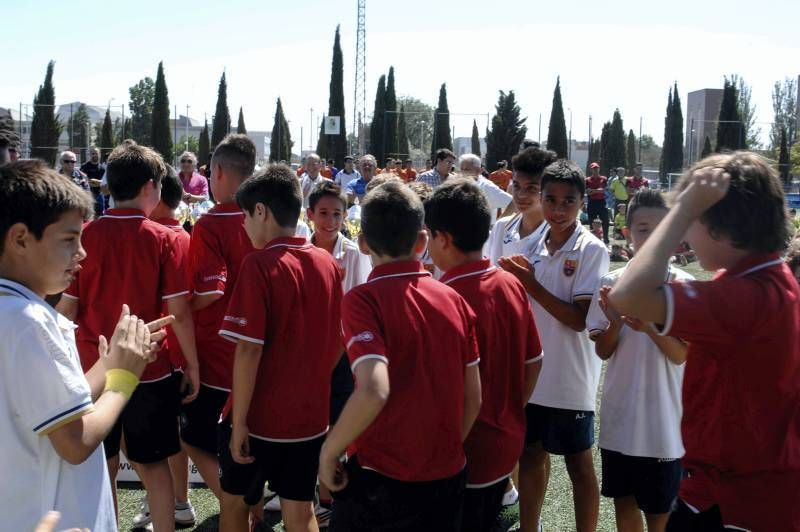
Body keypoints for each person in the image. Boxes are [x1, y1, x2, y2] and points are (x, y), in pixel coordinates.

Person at [608, 152, 800, 531]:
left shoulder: (746, 297)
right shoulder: (766, 280)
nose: (684, 236)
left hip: (743, 500)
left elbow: (627, 296)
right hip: (734, 487)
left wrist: (680, 210)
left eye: (690, 222)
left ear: (717, 224)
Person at [0, 160, 170, 530]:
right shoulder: (27, 321)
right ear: (20, 240)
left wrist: (110, 364)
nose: (82, 254)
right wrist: (125, 377)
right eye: (69, 240)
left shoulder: (15, 313)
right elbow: (76, 442)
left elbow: (62, 403)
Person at [319, 181, 482, 532]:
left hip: (382, 481)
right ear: (422, 242)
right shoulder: (454, 299)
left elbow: (374, 389)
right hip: (447, 476)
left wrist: (329, 451)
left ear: (363, 244)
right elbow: (474, 397)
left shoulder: (362, 300)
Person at [56, 144, 199, 532]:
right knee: (153, 464)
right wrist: (192, 365)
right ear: (152, 187)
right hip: (148, 368)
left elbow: (67, 308)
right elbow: (179, 313)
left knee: (101, 467)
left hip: (93, 369)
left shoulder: (86, 235)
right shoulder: (164, 238)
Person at [217, 164, 343, 532]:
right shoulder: (328, 263)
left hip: (259, 419)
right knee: (300, 511)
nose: (243, 225)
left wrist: (239, 422)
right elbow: (338, 342)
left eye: (245, 215)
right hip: (310, 419)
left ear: (261, 211)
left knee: (234, 505)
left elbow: (248, 351)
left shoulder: (258, 265)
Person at [424, 178, 543, 532]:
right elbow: (534, 364)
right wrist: (508, 410)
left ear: (442, 238)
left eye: (430, 236)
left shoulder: (443, 297)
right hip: (504, 446)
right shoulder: (510, 283)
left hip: (461, 454)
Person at [498, 160, 609, 532]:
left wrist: (532, 285)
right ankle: (530, 527)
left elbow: (579, 319)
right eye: (551, 199)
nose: (558, 210)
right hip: (533, 372)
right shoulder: (528, 243)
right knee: (531, 454)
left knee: (579, 463)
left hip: (571, 378)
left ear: (583, 202)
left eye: (568, 201)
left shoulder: (590, 248)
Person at [587, 189, 691, 532]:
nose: (654, 236)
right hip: (620, 421)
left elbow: (681, 356)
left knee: (661, 514)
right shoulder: (610, 285)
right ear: (628, 233)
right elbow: (602, 351)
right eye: (645, 228)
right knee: (625, 505)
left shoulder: (685, 288)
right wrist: (615, 322)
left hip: (664, 426)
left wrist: (649, 327)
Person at [182, 134, 258, 501]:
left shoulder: (210, 224)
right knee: (251, 443)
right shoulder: (267, 216)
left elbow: (212, 289)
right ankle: (255, 510)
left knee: (195, 439)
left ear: (220, 172)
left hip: (219, 353)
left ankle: (234, 504)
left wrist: (181, 309)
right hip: (261, 350)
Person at [301, 180, 372, 525]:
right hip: (305, 352)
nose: (330, 221)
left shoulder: (356, 255)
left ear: (346, 216)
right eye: (323, 213)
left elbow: (359, 308)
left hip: (343, 354)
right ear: (310, 214)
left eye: (337, 214)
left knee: (338, 424)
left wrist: (338, 350)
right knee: (306, 422)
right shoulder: (299, 252)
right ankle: (305, 490)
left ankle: (328, 494)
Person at [143, 168, 198, 528]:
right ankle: (178, 502)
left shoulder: (166, 237)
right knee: (175, 438)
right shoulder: (183, 235)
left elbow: (182, 307)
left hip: (167, 355)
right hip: (178, 351)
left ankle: (175, 503)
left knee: (168, 443)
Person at [487, 146, 557, 265]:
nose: (521, 195)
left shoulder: (558, 236)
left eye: (531, 188)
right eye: (516, 186)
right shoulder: (501, 227)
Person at [458, 153, 512, 226]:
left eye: (467, 169)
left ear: (478, 170)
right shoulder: (459, 184)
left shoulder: (486, 186)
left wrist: (499, 224)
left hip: (479, 233)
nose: (463, 172)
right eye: (461, 169)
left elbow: (512, 203)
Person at [586, 162, 610, 245]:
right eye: (593, 168)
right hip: (592, 203)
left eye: (596, 168)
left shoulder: (603, 178)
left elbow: (604, 190)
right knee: (592, 222)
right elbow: (588, 192)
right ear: (591, 170)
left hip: (601, 202)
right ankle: (592, 240)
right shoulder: (587, 180)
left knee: (605, 221)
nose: (595, 170)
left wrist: (594, 191)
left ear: (599, 169)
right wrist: (598, 190)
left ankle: (606, 239)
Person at [79, 147, 106, 217]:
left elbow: (104, 182)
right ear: (90, 155)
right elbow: (82, 180)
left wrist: (95, 182)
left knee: (100, 216)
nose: (94, 155)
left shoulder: (102, 168)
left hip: (99, 195)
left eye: (96, 153)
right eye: (92, 153)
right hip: (87, 196)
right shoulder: (84, 166)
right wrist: (95, 182)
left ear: (99, 154)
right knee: (87, 216)